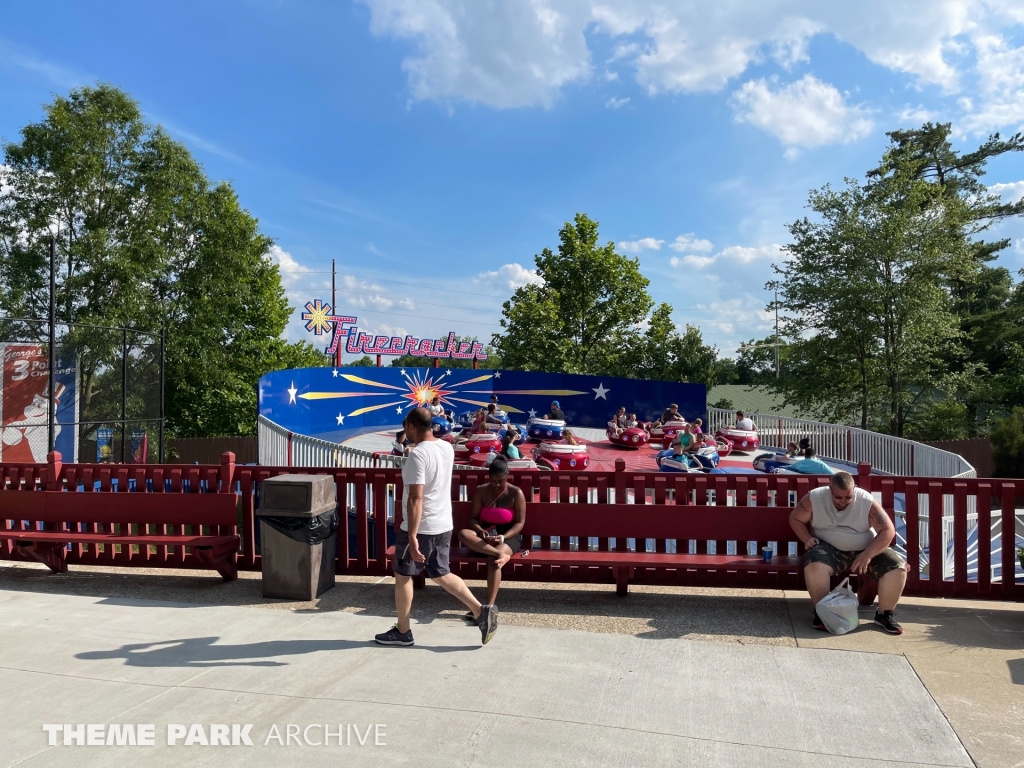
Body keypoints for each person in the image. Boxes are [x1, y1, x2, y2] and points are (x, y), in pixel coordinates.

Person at [376, 407, 498, 646]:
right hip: (443, 522)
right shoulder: (445, 447)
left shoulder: (418, 455)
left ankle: (403, 631)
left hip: (422, 526)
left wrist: (411, 536)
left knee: (402, 575)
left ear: (411, 427)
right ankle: (481, 612)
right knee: (441, 572)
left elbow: (415, 498)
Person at [789, 471, 907, 635]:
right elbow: (795, 518)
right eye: (838, 497)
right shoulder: (814, 498)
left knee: (897, 567)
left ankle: (885, 614)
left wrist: (868, 554)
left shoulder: (866, 500)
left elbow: (888, 530)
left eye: (848, 497)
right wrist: (807, 538)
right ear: (830, 490)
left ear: (854, 490)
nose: (843, 501)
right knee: (815, 566)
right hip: (828, 546)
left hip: (865, 547)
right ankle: (823, 612)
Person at [458, 456, 526, 608]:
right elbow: (473, 518)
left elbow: (520, 523)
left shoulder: (516, 493)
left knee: (494, 562)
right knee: (463, 534)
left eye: (500, 481)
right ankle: (499, 554)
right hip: (486, 535)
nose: (496, 484)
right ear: (489, 477)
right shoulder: (481, 491)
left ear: (507, 477)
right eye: (493, 480)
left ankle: (489, 606)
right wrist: (480, 531)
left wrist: (502, 537)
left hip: (509, 536)